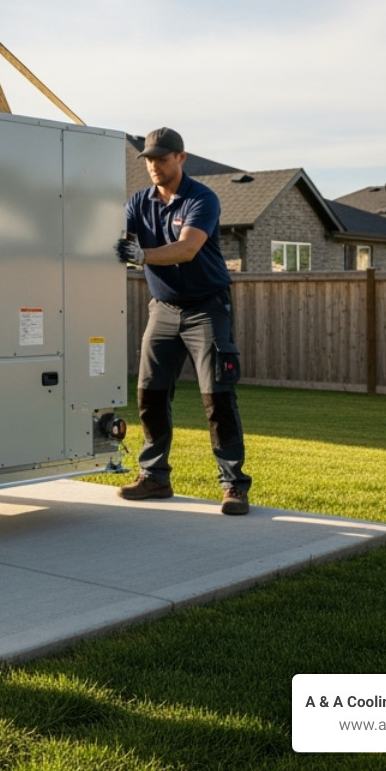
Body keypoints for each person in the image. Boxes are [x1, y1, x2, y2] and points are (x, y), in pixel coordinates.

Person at [114, 127, 251, 515]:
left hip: (207, 308)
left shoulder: (201, 198)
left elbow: (188, 248)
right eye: (149, 160)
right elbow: (116, 240)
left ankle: (233, 485)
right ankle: (155, 477)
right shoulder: (139, 202)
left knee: (217, 397)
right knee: (150, 394)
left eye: (162, 158)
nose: (154, 166)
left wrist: (139, 255)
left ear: (181, 158)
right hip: (163, 308)